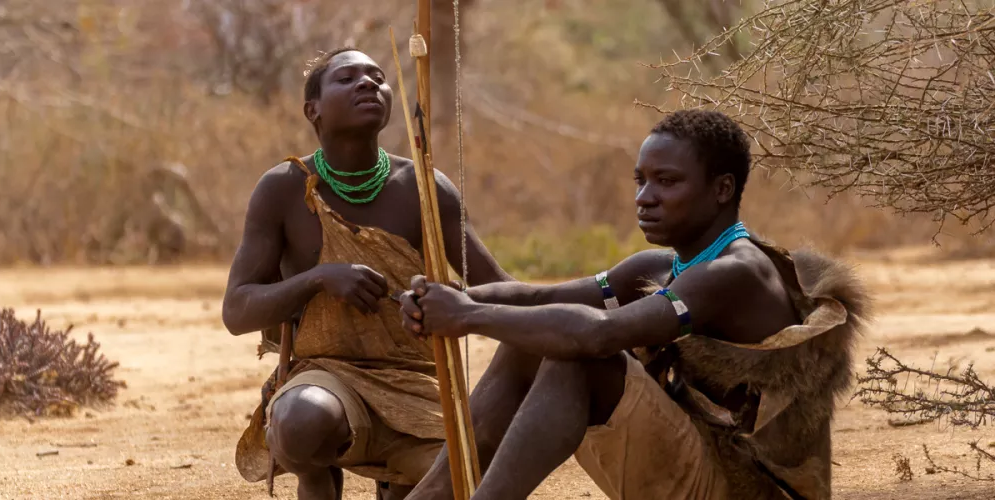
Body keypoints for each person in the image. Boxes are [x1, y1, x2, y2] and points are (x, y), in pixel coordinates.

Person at [399, 109, 872, 500]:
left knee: (577, 360)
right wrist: (457, 298)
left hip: (749, 489)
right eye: (640, 181)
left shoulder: (735, 272)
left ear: (722, 189)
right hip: (702, 467)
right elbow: (538, 296)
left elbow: (598, 335)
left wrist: (468, 316)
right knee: (532, 336)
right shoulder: (664, 266)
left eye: (666, 182)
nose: (645, 198)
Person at [223, 47, 511, 500]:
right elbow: (237, 311)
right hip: (325, 374)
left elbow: (496, 287)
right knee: (301, 421)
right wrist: (319, 279)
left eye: (377, 77)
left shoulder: (426, 187)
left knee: (463, 479)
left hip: (419, 384)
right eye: (347, 78)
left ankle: (395, 483)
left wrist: (587, 310)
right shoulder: (283, 187)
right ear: (311, 109)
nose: (367, 83)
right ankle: (316, 479)